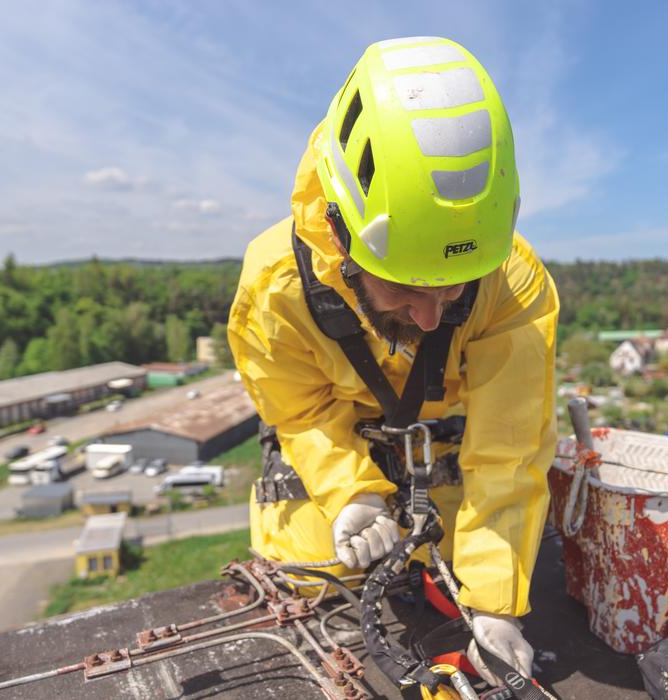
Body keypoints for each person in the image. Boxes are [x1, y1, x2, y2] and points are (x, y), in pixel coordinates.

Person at [227, 36, 558, 684]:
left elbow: (509, 448)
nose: (433, 316)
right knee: (317, 577)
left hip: (446, 453)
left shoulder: (512, 283)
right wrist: (350, 493)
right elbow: (299, 414)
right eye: (405, 286)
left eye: (455, 286)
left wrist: (494, 608)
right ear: (341, 235)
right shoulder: (275, 291)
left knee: (480, 574)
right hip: (338, 453)